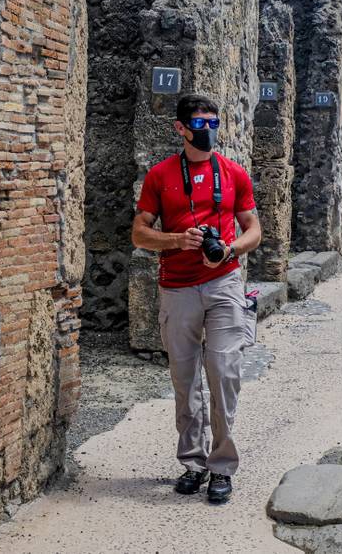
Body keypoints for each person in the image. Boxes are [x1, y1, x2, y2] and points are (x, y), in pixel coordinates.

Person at [131, 94, 262, 503]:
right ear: (181, 128)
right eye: (201, 125)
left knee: (224, 372)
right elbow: (139, 233)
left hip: (224, 283)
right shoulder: (160, 176)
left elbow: (254, 230)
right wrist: (176, 239)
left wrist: (230, 250)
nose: (209, 132)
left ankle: (222, 467)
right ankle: (193, 462)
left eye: (213, 124)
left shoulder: (235, 173)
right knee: (185, 380)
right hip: (177, 286)